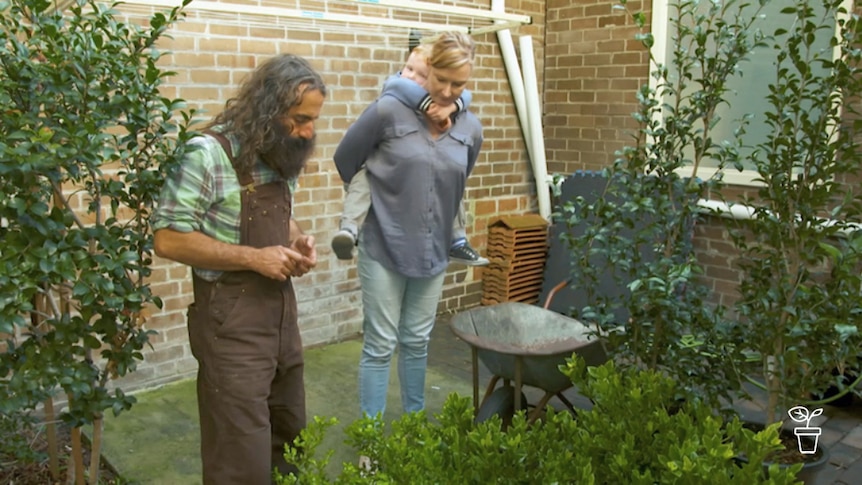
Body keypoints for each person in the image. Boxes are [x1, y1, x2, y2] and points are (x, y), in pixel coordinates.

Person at [151, 54, 325, 484]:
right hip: (230, 325)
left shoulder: (279, 153)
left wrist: (295, 242)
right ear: (269, 109)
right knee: (240, 455)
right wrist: (254, 257)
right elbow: (168, 238)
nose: (308, 132)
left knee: (289, 437)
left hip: (282, 319)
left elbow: (284, 219)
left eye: (313, 121)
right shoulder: (206, 154)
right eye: (300, 119)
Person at [333, 32, 482, 424]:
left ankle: (414, 428)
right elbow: (346, 160)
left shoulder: (470, 127)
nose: (449, 91)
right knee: (380, 344)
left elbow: (456, 180)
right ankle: (370, 441)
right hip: (384, 244)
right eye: (441, 80)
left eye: (459, 84)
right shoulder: (387, 112)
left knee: (417, 342)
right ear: (427, 70)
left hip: (433, 253)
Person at [330, 43, 488, 266]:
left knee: (450, 177)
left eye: (420, 74)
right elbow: (346, 156)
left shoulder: (462, 116)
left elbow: (465, 96)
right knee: (365, 177)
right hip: (381, 176)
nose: (410, 76)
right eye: (408, 68)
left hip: (433, 201)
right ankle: (349, 229)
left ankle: (458, 239)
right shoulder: (394, 91)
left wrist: (452, 107)